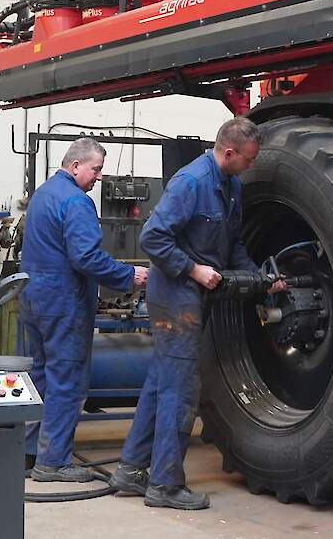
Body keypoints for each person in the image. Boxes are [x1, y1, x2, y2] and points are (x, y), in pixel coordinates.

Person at [110, 117, 286, 509]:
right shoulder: (190, 183)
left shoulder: (231, 186)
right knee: (181, 390)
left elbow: (232, 243)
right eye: (248, 159)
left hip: (194, 295)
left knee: (161, 382)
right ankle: (165, 486)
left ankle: (132, 469)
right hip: (175, 295)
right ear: (228, 152)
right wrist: (192, 269)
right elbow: (152, 238)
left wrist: (259, 278)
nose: (251, 166)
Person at [20, 137, 149, 482]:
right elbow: (86, 257)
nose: (98, 178)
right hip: (64, 301)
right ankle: (54, 463)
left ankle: (31, 454)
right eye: (96, 169)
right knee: (68, 381)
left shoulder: (43, 195)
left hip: (34, 297)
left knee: (42, 376)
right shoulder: (76, 202)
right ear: (76, 166)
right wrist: (129, 275)